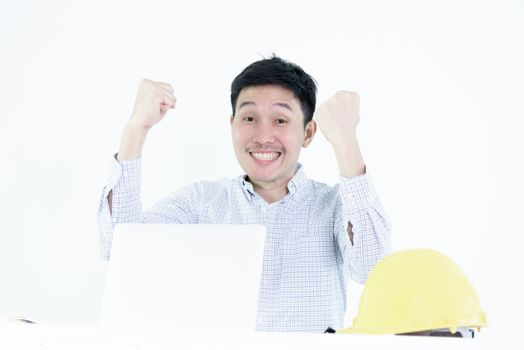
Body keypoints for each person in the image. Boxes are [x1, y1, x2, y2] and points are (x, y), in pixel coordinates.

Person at [97, 56, 391, 333]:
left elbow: (371, 267)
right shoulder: (202, 202)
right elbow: (119, 247)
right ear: (232, 125)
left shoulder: (335, 205)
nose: (263, 136)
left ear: (308, 133)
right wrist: (136, 128)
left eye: (280, 120)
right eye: (249, 118)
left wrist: (345, 142)